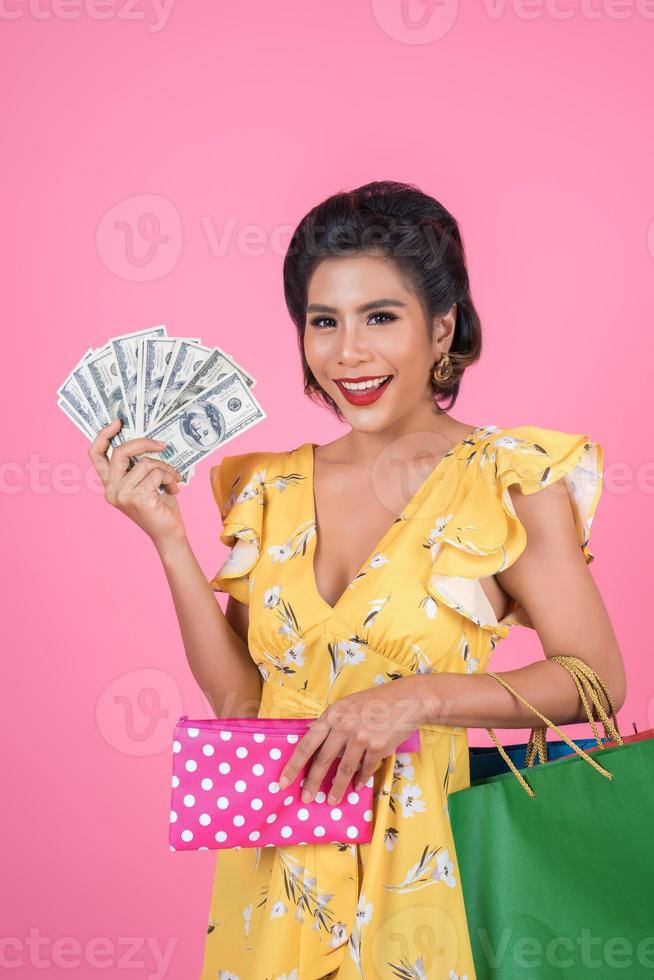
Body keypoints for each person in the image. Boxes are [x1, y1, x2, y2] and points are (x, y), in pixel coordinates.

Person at [88, 180, 627, 980]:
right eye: (323, 322)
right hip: (274, 893)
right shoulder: (265, 489)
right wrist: (168, 541)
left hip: (428, 891)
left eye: (381, 317)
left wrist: (416, 698)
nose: (349, 353)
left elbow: (596, 684)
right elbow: (245, 707)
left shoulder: (506, 480)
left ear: (441, 326)